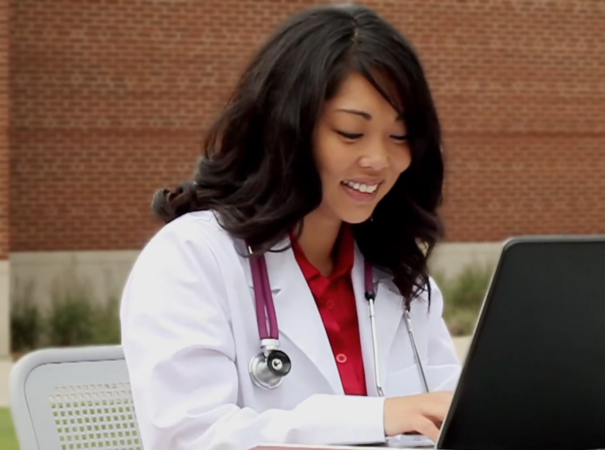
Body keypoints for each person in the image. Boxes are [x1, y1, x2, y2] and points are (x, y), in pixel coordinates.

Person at [119, 4, 462, 450]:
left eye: (399, 137)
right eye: (350, 133)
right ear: (289, 128)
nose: (379, 159)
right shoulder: (192, 258)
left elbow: (450, 417)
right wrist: (378, 417)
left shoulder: (399, 275)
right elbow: (191, 437)